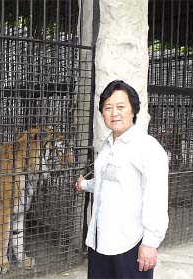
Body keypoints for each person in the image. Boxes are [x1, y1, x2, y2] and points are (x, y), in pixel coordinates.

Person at [75, 80, 169, 278]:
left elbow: (157, 198)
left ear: (133, 110)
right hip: (99, 242)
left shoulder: (147, 147)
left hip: (129, 244)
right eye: (108, 108)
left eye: (120, 106)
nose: (113, 113)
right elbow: (106, 180)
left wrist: (150, 243)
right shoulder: (107, 145)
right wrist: (84, 184)